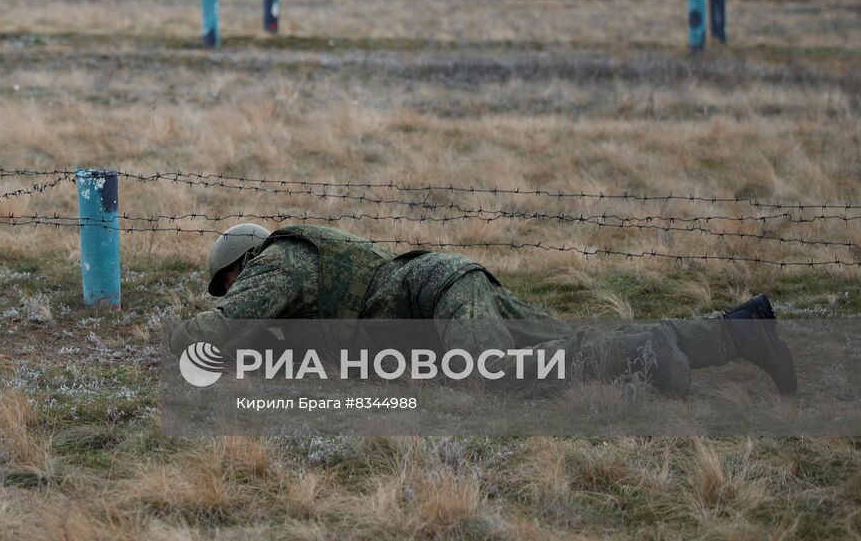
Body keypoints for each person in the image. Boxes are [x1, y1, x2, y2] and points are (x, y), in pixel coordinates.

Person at [170, 223, 797, 398]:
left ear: (244, 262)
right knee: (570, 342)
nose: (237, 294)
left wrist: (167, 337)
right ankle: (740, 333)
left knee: (492, 371)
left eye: (230, 283)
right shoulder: (299, 287)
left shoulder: (278, 262)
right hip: (451, 291)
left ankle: (644, 355)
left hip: (438, 294)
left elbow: (221, 331)